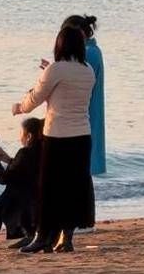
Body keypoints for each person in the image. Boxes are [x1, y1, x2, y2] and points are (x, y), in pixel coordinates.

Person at [13, 26, 95, 254]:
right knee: (72, 188)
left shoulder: (55, 70)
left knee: (49, 188)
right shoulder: (88, 70)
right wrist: (50, 72)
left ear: (59, 45)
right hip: (82, 137)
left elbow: (35, 98)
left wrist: (20, 107)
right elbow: (68, 92)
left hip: (57, 136)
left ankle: (42, 237)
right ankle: (66, 239)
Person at [40, 15, 105, 175]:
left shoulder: (89, 53)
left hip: (80, 117)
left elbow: (74, 77)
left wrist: (54, 71)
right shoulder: (94, 51)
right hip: (83, 115)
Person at [0, 118, 44, 249]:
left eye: (21, 134)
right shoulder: (43, 149)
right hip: (40, 194)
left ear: (29, 136)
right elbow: (23, 168)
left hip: (28, 198)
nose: (20, 138)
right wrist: (7, 159)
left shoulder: (25, 153)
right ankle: (30, 235)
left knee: (10, 196)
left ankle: (29, 234)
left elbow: (3, 179)